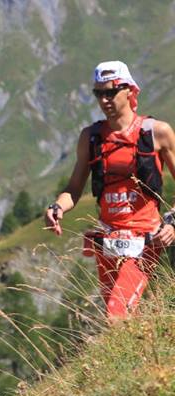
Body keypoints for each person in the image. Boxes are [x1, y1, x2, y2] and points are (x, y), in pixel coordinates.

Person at [44, 61, 175, 319]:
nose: (104, 100)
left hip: (146, 239)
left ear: (130, 91)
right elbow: (73, 188)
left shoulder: (157, 132)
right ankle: (144, 345)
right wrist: (57, 207)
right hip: (107, 239)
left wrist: (172, 222)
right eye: (98, 93)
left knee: (117, 313)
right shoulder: (91, 137)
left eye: (111, 92)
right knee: (117, 316)